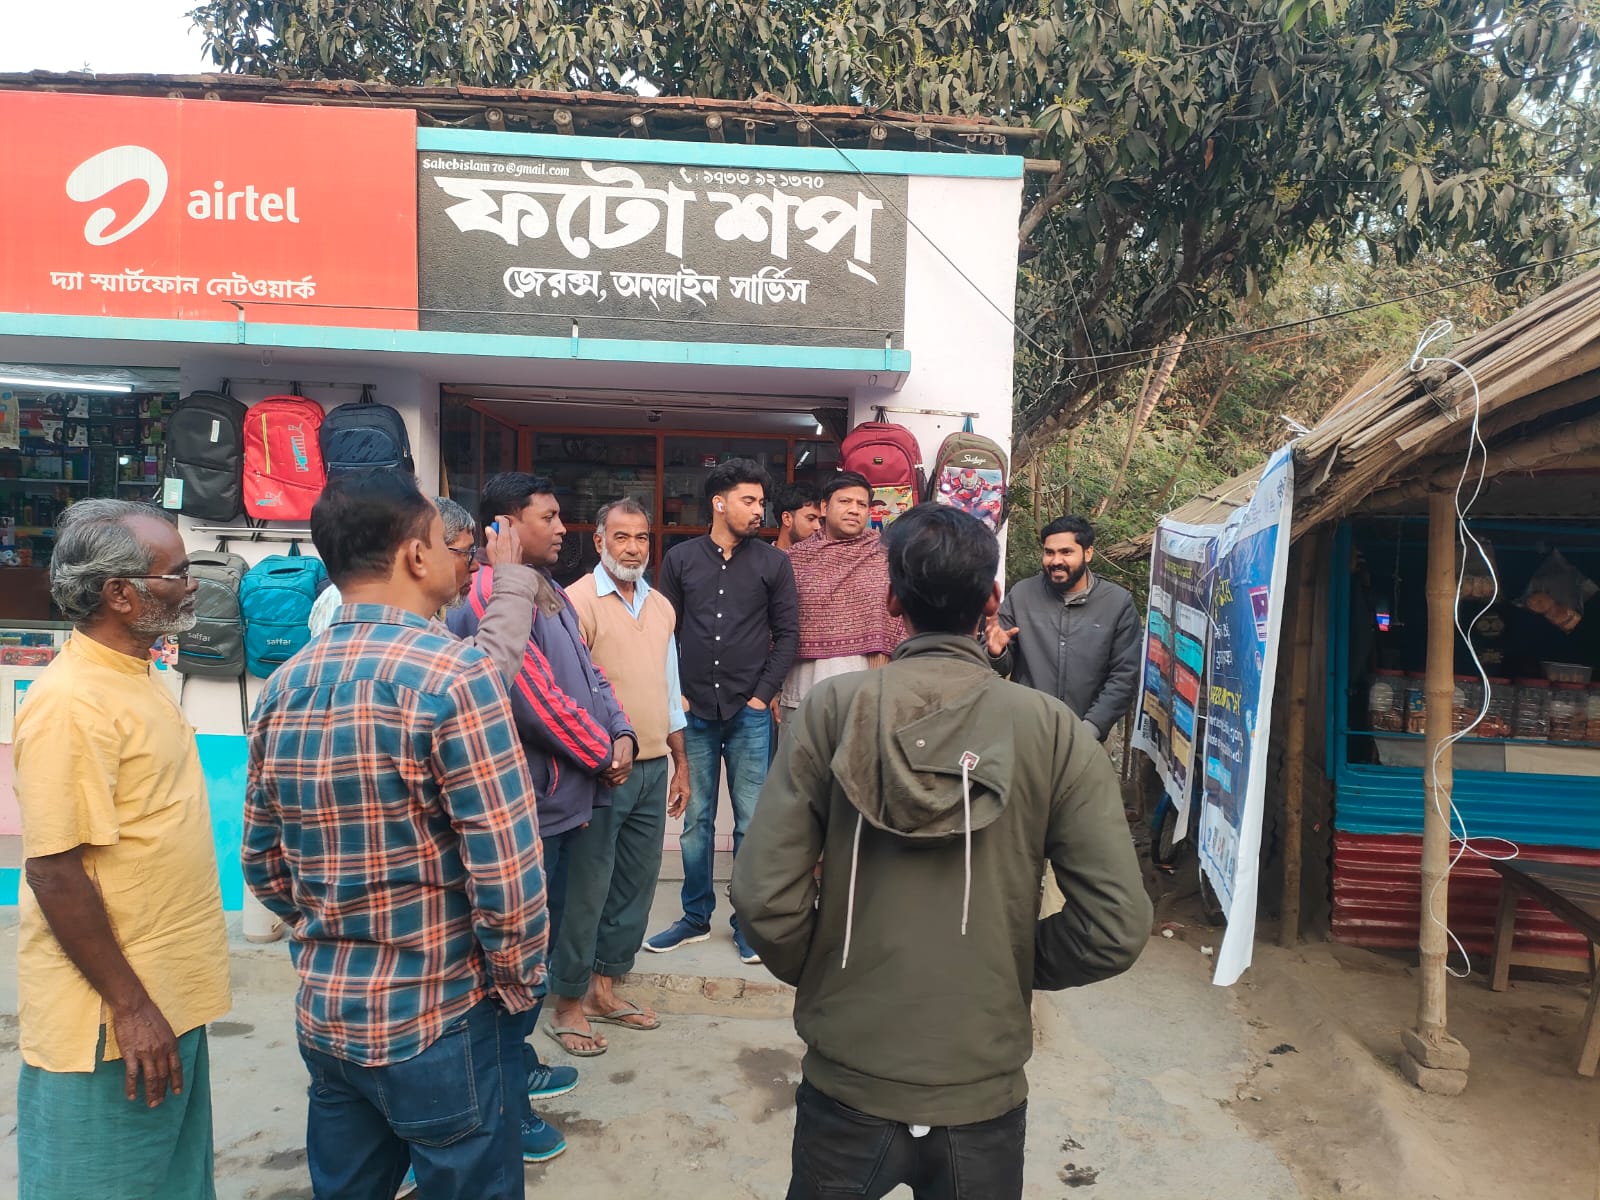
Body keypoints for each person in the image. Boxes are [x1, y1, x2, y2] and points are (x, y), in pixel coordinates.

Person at [732, 503, 1152, 1200]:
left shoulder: (832, 711)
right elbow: (1115, 927)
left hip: (849, 1074)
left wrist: (833, 970)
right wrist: (1009, 963)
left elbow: (762, 895)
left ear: (892, 600)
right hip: (979, 1089)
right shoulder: (1052, 731)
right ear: (992, 600)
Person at [244, 471, 549, 1199]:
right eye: (448, 544)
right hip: (438, 1015)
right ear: (417, 556)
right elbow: (507, 872)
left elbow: (264, 866)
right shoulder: (457, 675)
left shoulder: (285, 684)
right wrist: (513, 981)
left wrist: (336, 934)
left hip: (327, 1016)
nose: (460, 558)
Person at [14, 499, 230, 1200]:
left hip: (168, 998)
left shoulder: (135, 675)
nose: (191, 585)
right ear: (120, 593)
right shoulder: (72, 702)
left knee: (172, 1181)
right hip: (112, 1023)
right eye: (178, 572)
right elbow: (54, 872)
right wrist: (131, 1007)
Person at [447, 473, 637, 1144]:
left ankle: (516, 1066)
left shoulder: (545, 589)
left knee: (539, 949)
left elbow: (590, 676)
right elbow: (534, 700)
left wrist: (622, 731)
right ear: (503, 526)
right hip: (535, 807)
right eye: (548, 517)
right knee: (516, 964)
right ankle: (504, 1106)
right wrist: (604, 754)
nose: (562, 528)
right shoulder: (492, 594)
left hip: (566, 800)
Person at [548, 499, 692, 1054]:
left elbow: (669, 690)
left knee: (636, 884)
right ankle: (566, 1001)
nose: (633, 548)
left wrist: (681, 764)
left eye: (641, 537)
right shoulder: (576, 601)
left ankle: (603, 991)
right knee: (587, 888)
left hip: (653, 766)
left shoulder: (660, 605)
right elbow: (564, 693)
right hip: (601, 770)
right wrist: (595, 757)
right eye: (621, 537)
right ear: (599, 541)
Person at [647, 458, 799, 964]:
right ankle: (694, 917)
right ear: (719, 503)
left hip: (748, 712)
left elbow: (788, 635)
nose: (759, 510)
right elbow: (664, 630)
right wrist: (675, 694)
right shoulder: (681, 559)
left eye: (761, 501)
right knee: (696, 820)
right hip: (693, 710)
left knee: (751, 822)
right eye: (748, 500)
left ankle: (746, 923)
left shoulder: (773, 564)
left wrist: (761, 695)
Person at [985, 513, 1142, 742]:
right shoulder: (1022, 595)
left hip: (1089, 736)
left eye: (1066, 552)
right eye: (1049, 552)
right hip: (1027, 732)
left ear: (1088, 553)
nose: (1056, 560)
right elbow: (1000, 666)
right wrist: (996, 653)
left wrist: (1090, 730)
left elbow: (1124, 676)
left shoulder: (1116, 603)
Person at [779, 470, 907, 725]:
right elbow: (776, 626)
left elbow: (900, 622)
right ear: (824, 508)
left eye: (862, 504)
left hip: (867, 696)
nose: (854, 510)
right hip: (803, 690)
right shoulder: (794, 560)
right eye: (845, 501)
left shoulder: (885, 557)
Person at [308, 496, 494, 636]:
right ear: (419, 554)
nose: (474, 565)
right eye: (466, 553)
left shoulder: (414, 612)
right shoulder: (346, 601)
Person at [772, 481, 823, 552]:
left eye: (821, 521)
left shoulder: (825, 557)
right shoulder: (762, 558)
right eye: (811, 519)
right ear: (786, 518)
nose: (818, 527)